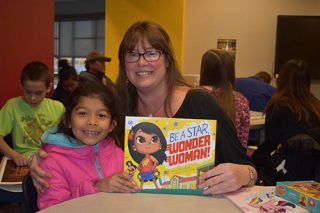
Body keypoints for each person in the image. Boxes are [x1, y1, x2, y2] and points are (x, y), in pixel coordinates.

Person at [30, 21, 257, 195]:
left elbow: (250, 168)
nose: (141, 62)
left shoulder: (199, 103)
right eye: (132, 54)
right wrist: (38, 158)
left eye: (151, 52)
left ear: (167, 60)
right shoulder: (116, 104)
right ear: (124, 63)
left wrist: (243, 174)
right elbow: (68, 133)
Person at [37, 83, 135, 209]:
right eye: (83, 113)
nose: (92, 122)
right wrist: (96, 187)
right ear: (67, 120)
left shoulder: (118, 153)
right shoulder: (52, 163)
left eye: (101, 115)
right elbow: (52, 209)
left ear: (112, 125)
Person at [253, 59, 320, 184]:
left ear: (281, 79)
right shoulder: (316, 105)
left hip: (287, 167)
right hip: (313, 168)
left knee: (254, 158)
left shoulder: (278, 104)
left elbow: (272, 140)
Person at [0, 61, 64, 166]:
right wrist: (14, 155)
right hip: (25, 159)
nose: (33, 98)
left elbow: (67, 137)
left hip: (52, 158)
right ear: (21, 85)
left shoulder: (58, 107)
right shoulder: (12, 106)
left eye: (39, 93)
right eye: (28, 92)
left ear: (49, 87)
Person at [199, 49, 250, 148]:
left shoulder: (192, 96)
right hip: (232, 160)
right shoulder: (241, 100)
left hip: (200, 161)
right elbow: (242, 143)